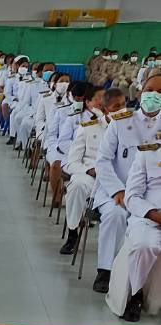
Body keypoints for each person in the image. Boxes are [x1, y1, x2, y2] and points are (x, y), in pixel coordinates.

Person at [93, 70, 161, 294]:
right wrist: (118, 191)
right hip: (117, 190)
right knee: (116, 215)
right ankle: (106, 270)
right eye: (150, 90)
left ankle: (142, 286)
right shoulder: (121, 121)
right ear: (140, 92)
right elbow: (102, 160)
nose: (154, 95)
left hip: (151, 197)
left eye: (160, 92)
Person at [61, 88, 114, 257]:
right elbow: (72, 162)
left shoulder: (123, 127)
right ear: (89, 103)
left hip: (115, 179)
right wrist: (88, 170)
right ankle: (72, 232)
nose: (102, 101)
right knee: (76, 185)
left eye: (105, 98)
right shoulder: (86, 128)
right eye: (98, 98)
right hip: (90, 175)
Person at [121, 131, 161, 320]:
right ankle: (136, 295)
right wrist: (154, 214)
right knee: (145, 246)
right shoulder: (148, 153)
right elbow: (132, 196)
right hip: (149, 216)